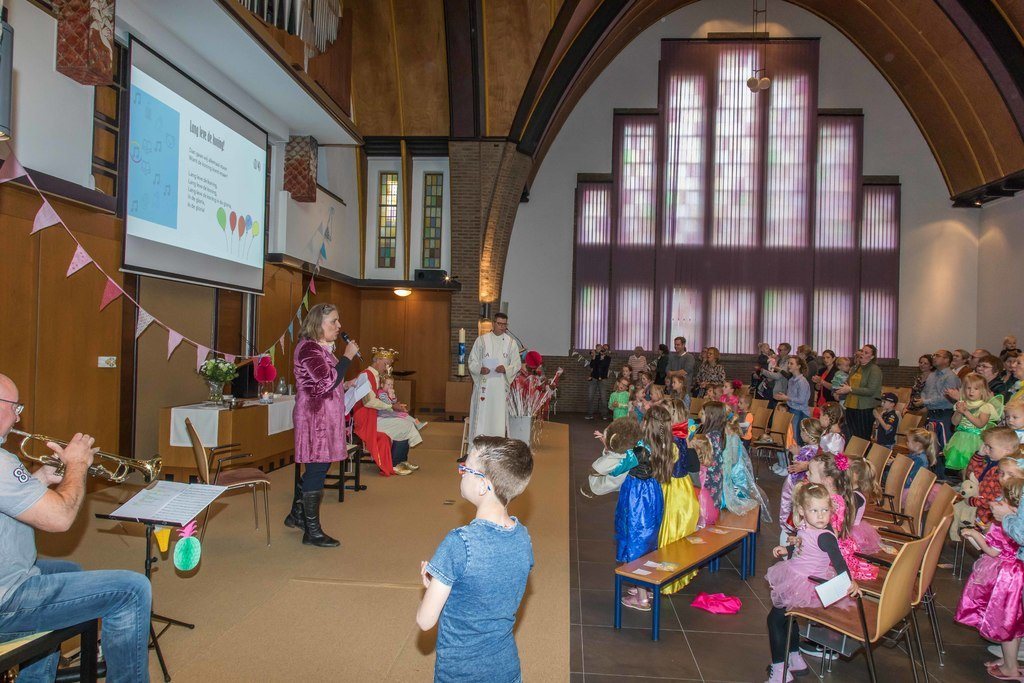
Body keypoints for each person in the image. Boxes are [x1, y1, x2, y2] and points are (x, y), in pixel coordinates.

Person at [0, 373, 152, 681]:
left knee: (70, 571)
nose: (19, 415)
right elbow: (61, 519)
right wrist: (78, 465)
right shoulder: (2, 462)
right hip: (6, 597)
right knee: (133, 590)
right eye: (14, 407)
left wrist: (39, 479)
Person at [417, 437, 534, 683]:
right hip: (507, 669)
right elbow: (491, 587)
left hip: (461, 673)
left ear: (482, 485)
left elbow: (425, 621)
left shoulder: (459, 542)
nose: (460, 473)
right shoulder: (523, 536)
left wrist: (436, 587)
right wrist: (447, 584)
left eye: (465, 468)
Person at [763, 483, 860, 683]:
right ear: (802, 511)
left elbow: (839, 561)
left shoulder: (825, 536)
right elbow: (802, 544)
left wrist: (851, 583)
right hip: (798, 575)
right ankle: (795, 658)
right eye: (814, 510)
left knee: (775, 620)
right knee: (789, 618)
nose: (821, 516)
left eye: (825, 510)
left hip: (806, 584)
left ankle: (780, 671)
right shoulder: (806, 526)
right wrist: (787, 550)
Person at [289, 303, 361, 546]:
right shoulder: (309, 349)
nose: (339, 326)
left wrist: (346, 384)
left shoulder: (322, 349)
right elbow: (325, 382)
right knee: (318, 470)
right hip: (315, 420)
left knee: (316, 468)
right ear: (318, 324)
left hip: (324, 419)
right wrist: (347, 357)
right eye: (334, 321)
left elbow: (327, 382)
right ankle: (313, 532)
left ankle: (297, 515)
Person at [956, 476, 1024, 681]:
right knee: (1014, 622)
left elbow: (999, 546)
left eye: (1002, 500)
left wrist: (1004, 519)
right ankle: (1008, 661)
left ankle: (1011, 667)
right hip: (1014, 573)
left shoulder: (1008, 523)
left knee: (1007, 622)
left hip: (1010, 578)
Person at [647, 405, 700, 595]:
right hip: (680, 486)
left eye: (669, 411)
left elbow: (666, 465)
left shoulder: (674, 441)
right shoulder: (679, 437)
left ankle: (666, 578)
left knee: (669, 531)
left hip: (674, 490)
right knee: (672, 532)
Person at [352, 347, 420, 475]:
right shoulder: (366, 375)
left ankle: (401, 461)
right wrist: (391, 407)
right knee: (405, 426)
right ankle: (395, 464)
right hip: (366, 418)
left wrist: (394, 404)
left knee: (404, 422)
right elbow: (369, 402)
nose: (388, 367)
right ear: (377, 360)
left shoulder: (376, 376)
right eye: (386, 363)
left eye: (390, 364)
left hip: (374, 414)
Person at [468, 313, 523, 441]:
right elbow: (472, 361)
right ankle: (477, 447)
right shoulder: (481, 340)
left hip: (499, 388)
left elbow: (516, 364)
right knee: (482, 418)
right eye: (500, 324)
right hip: (484, 386)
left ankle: (497, 447)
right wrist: (480, 369)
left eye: (505, 324)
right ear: (493, 323)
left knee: (497, 419)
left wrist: (506, 369)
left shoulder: (511, 343)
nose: (502, 327)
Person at [914, 349, 961, 470]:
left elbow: (946, 398)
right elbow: (925, 391)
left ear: (946, 360)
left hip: (944, 414)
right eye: (934, 355)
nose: (934, 357)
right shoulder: (932, 375)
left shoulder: (950, 377)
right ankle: (930, 471)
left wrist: (925, 401)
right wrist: (923, 399)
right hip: (931, 413)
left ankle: (943, 474)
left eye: (938, 356)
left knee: (942, 444)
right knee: (930, 444)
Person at [580, 417, 642, 498]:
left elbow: (597, 469)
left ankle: (590, 490)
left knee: (598, 484)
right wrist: (607, 445)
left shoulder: (619, 457)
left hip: (612, 482)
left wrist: (607, 445)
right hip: (629, 482)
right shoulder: (633, 450)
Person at [833, 344, 882, 440]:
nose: (862, 354)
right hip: (851, 405)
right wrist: (838, 390)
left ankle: (864, 454)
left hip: (865, 407)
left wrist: (851, 389)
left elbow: (871, 390)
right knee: (851, 434)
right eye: (862, 351)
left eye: (866, 352)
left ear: (872, 357)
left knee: (862, 436)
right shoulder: (855, 368)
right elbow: (848, 383)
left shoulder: (874, 370)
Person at [774, 356, 811, 445]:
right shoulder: (791, 380)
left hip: (800, 411)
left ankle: (799, 456)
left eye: (791, 363)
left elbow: (802, 400)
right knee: (790, 435)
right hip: (792, 409)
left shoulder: (802, 381)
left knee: (796, 436)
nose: (789, 365)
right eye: (788, 363)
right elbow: (790, 396)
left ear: (798, 366)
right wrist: (782, 397)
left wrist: (786, 398)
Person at [585, 344, 611, 420]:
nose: (603, 350)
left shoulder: (608, 358)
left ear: (607, 351)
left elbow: (604, 366)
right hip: (593, 378)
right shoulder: (596, 357)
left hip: (602, 379)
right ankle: (590, 414)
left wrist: (602, 359)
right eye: (603, 349)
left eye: (605, 349)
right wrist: (593, 357)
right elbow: (592, 366)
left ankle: (605, 415)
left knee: (603, 397)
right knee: (590, 396)